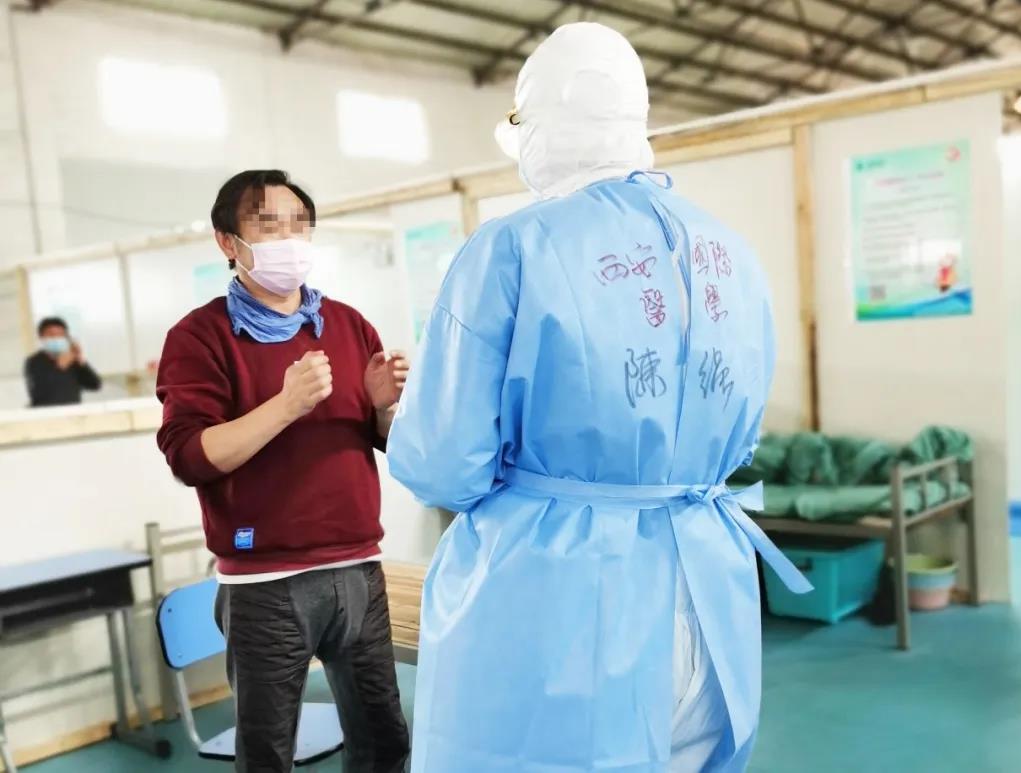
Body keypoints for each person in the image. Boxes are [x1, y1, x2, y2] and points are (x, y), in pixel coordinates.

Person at [387, 23, 811, 773]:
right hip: (706, 590)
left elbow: (443, 464)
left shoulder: (510, 249)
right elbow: (740, 434)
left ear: (542, 120)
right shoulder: (728, 251)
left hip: (567, 604)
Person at [156, 169, 411, 773]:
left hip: (358, 567)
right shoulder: (199, 336)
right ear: (228, 241)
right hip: (265, 582)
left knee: (385, 739)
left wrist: (383, 408)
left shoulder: (346, 324)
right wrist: (286, 405)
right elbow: (190, 456)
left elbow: (380, 441)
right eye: (269, 225)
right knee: (268, 752)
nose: (289, 239)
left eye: (300, 225)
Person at [24, 317, 102, 407]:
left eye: (61, 335)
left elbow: (95, 385)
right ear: (41, 337)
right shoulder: (34, 361)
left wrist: (80, 360)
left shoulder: (72, 360)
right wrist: (60, 368)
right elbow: (38, 393)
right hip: (46, 413)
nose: (56, 338)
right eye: (51, 334)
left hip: (73, 411)